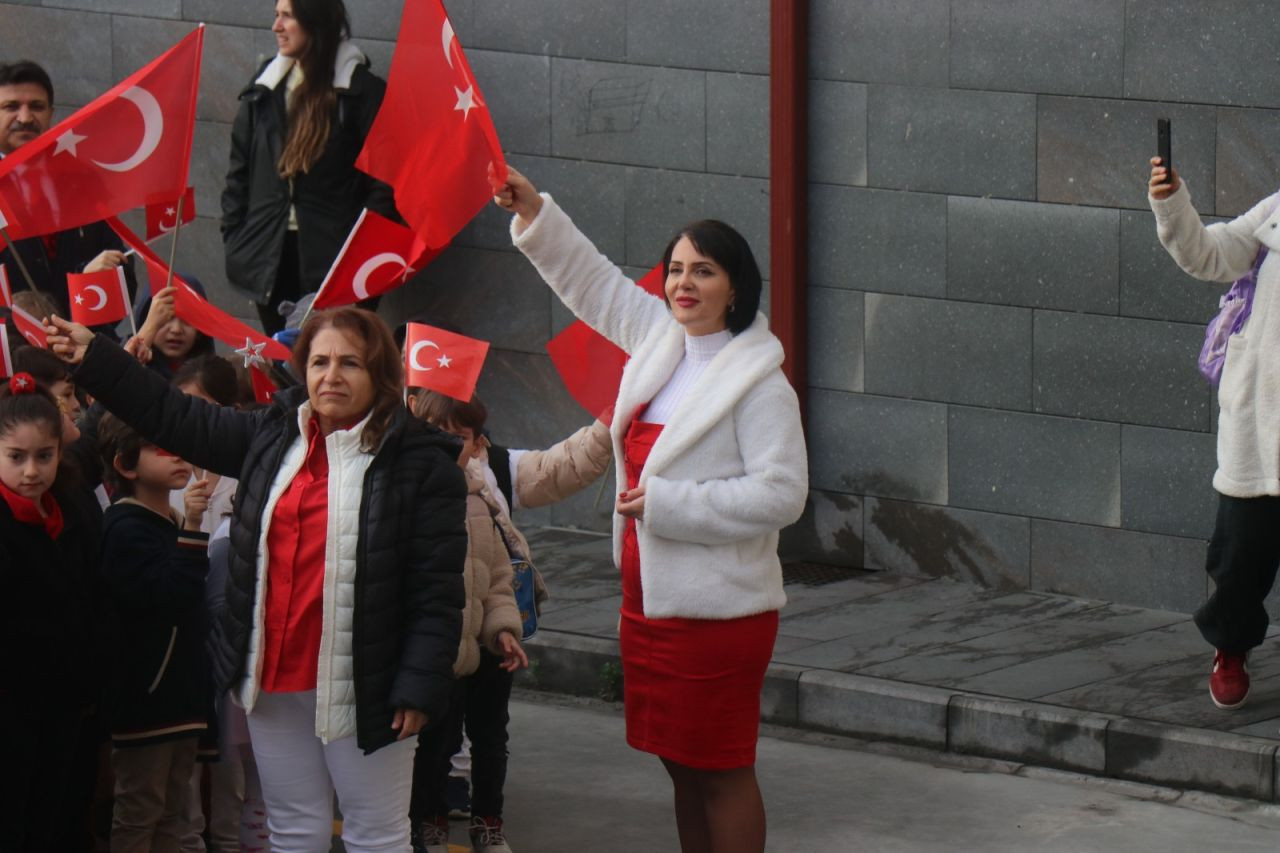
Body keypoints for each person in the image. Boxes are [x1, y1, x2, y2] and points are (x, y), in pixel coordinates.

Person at [47, 305, 468, 853]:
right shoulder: (274, 433)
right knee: (292, 831)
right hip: (272, 678)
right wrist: (97, 359)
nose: (331, 376)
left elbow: (437, 592)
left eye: (350, 363)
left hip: (370, 682)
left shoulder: (421, 461)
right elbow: (174, 415)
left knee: (377, 838)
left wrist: (417, 686)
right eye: (319, 362)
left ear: (380, 374)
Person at [494, 168, 808, 853]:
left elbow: (783, 493)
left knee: (721, 768)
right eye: (676, 269)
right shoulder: (660, 340)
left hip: (720, 614)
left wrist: (670, 505)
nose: (683, 283)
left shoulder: (759, 383)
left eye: (704, 271)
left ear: (735, 288)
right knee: (680, 765)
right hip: (648, 604)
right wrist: (535, 212)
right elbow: (594, 283)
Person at [1148, 157, 1280, 710]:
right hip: (1260, 429)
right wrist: (1172, 202)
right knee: (1240, 557)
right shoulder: (1274, 212)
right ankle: (1231, 646)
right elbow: (1206, 253)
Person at [222, 0, 395, 334]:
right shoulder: (265, 87)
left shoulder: (362, 92)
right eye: (276, 15)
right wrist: (235, 235)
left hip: (338, 264)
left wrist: (360, 254)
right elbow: (239, 170)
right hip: (269, 257)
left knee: (332, 357)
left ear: (314, 21)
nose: (276, 26)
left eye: (287, 16)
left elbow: (385, 186)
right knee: (280, 358)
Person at [408, 392, 528, 853]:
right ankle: (431, 821)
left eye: (457, 437)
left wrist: (504, 630)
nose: (446, 445)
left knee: (490, 738)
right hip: (439, 649)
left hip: (484, 644)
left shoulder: (480, 499)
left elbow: (498, 579)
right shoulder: (410, 496)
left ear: (477, 445)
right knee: (435, 742)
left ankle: (488, 822)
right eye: (434, 433)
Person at [97, 412, 213, 853]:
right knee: (140, 810)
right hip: (146, 696)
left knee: (172, 813)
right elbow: (170, 596)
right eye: (162, 448)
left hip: (179, 693)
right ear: (125, 464)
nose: (179, 456)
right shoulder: (125, 527)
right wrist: (194, 528)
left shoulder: (167, 520)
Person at [0, 372, 104, 852]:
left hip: (65, 698)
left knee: (56, 813)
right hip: (11, 704)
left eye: (44, 456)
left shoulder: (71, 508)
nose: (31, 471)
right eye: (15, 457)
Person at [0, 60, 137, 319]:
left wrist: (86, 285)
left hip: (80, 338)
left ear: (51, 113)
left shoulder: (81, 180)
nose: (25, 118)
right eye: (11, 106)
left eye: (36, 107)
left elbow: (123, 278)